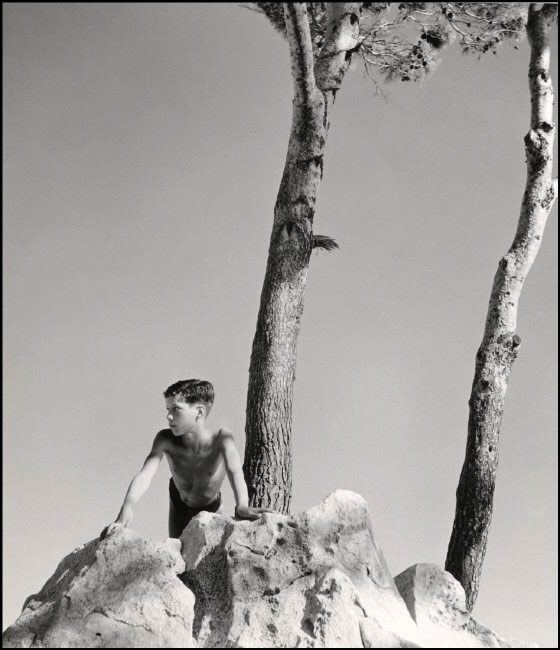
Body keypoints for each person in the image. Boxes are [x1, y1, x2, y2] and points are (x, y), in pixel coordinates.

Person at [104, 379, 271, 539]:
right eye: (167, 409)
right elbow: (145, 475)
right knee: (180, 556)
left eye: (175, 409)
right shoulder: (165, 439)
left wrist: (242, 505)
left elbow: (235, 473)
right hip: (179, 505)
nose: (168, 416)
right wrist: (128, 505)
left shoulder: (221, 438)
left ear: (199, 412)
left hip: (211, 506)